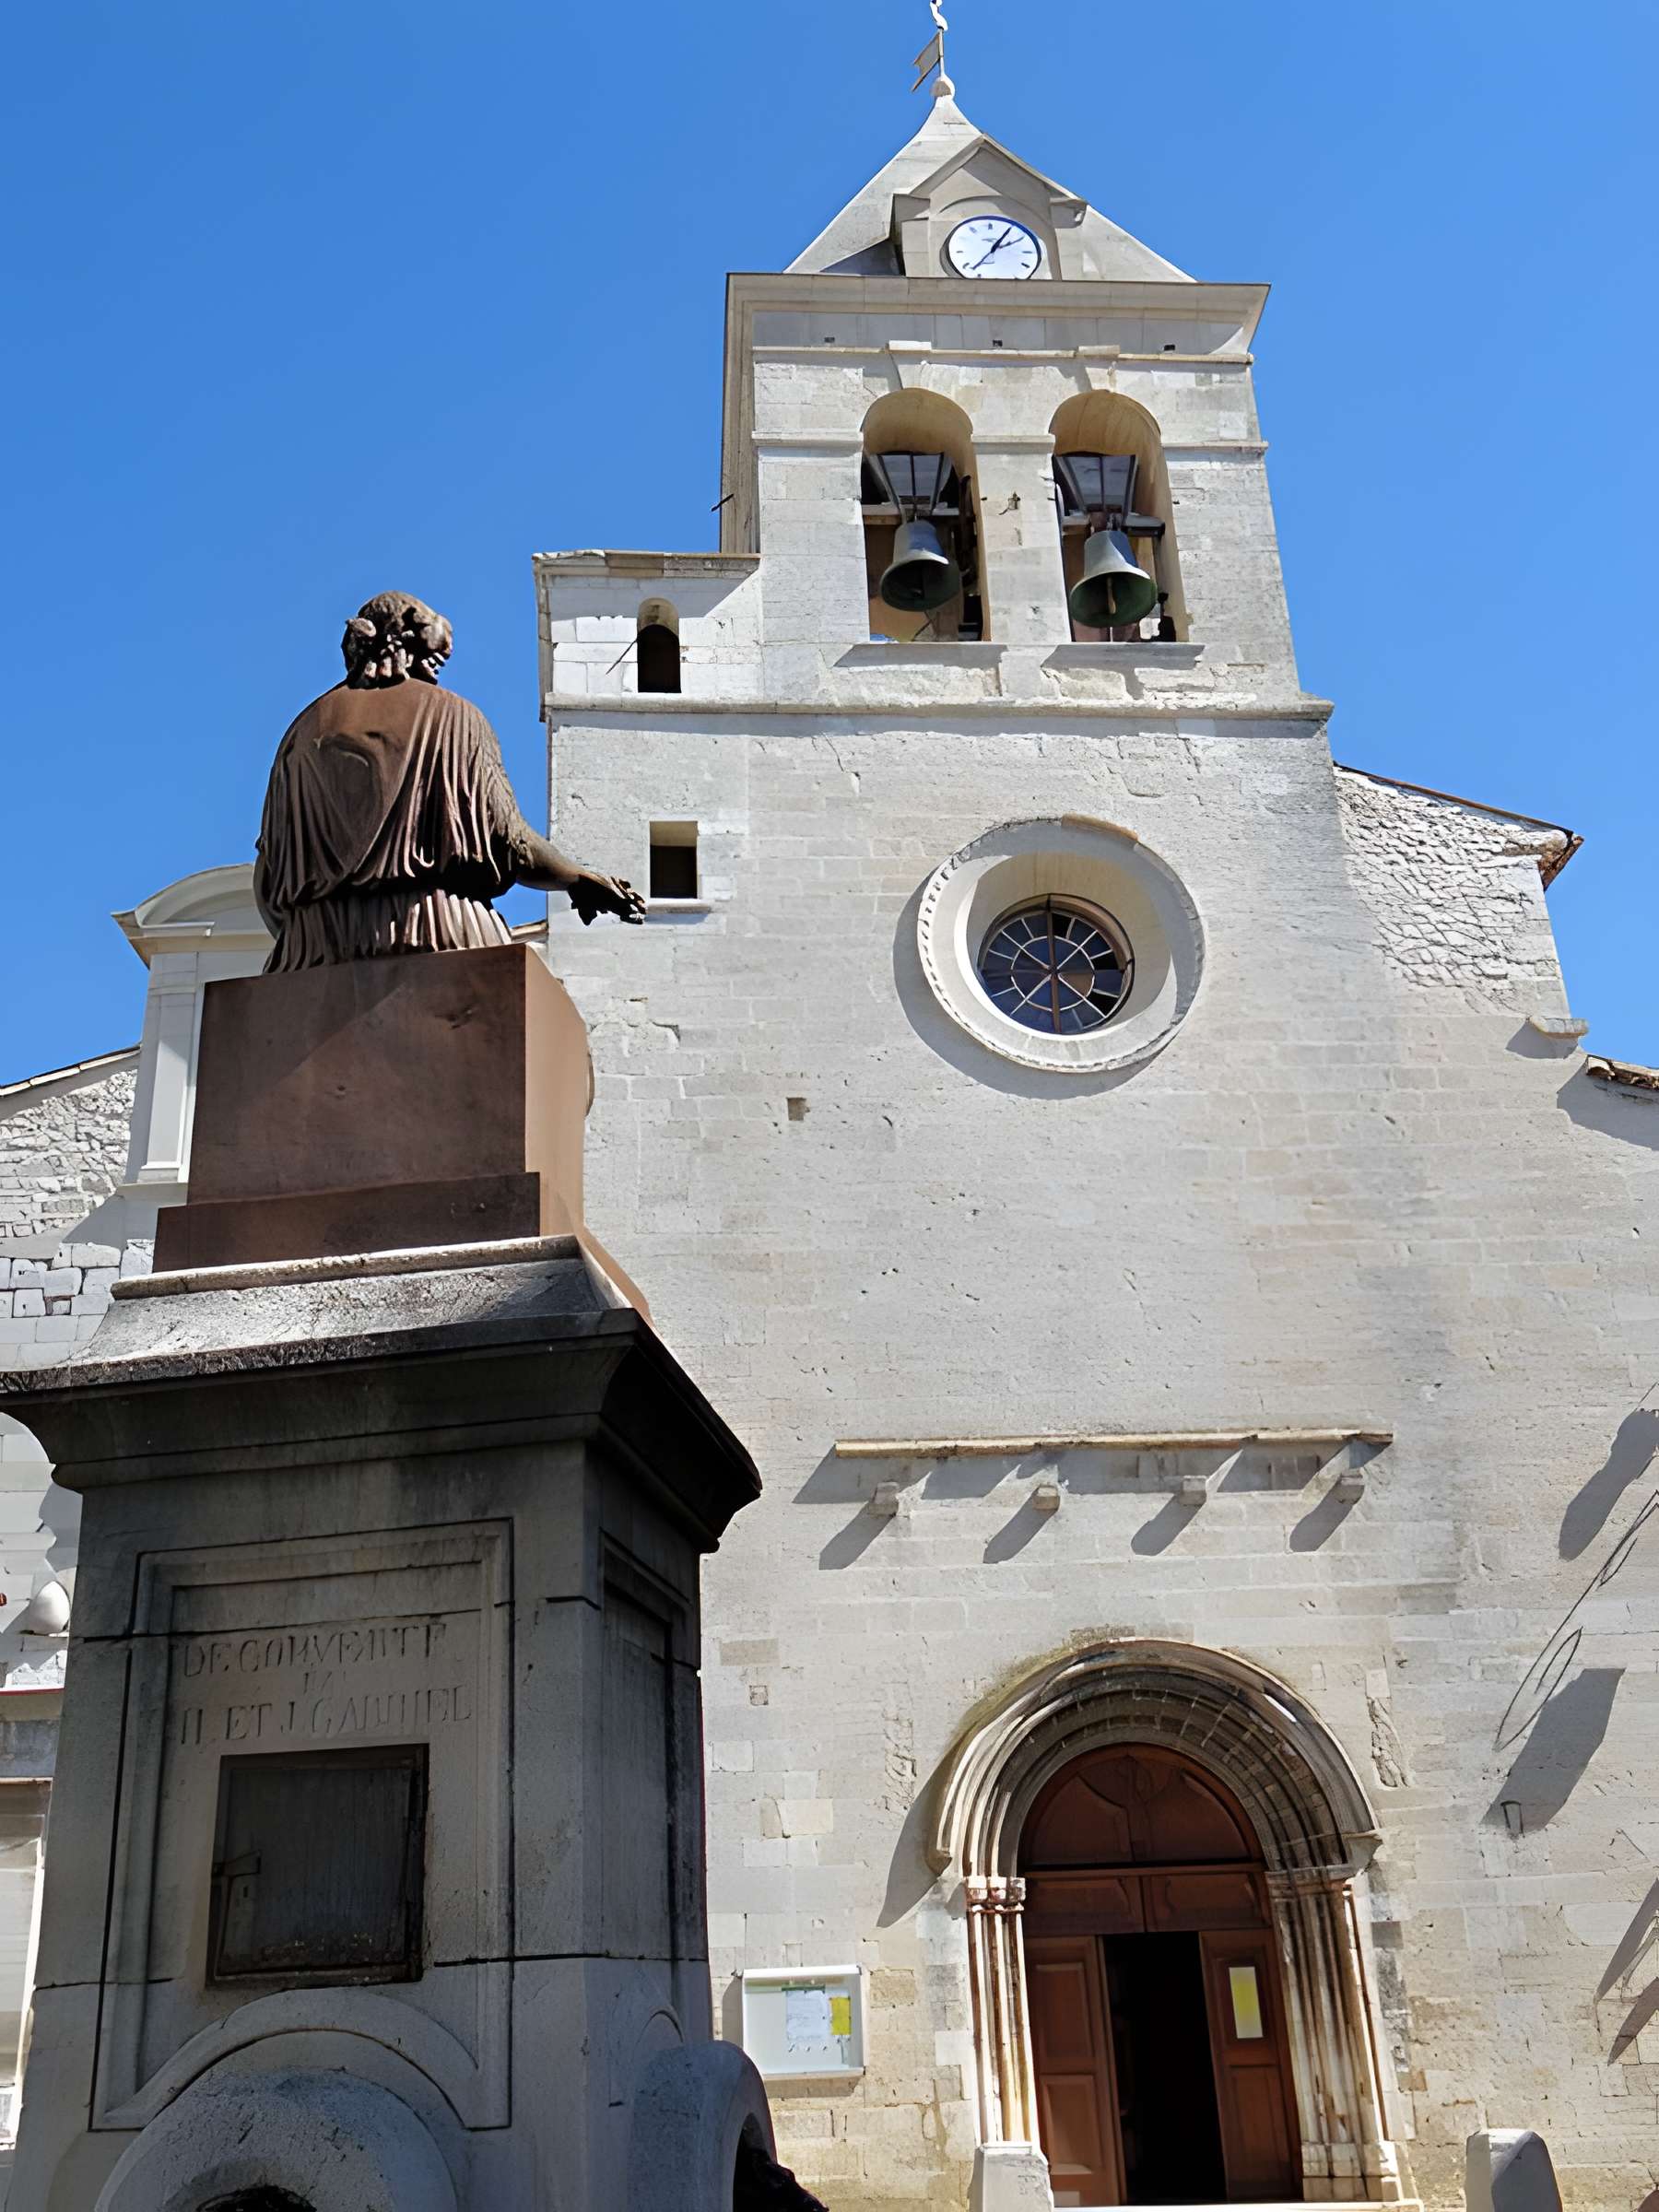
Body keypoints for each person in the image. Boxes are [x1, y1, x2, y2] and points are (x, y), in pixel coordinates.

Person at [254, 590, 644, 971]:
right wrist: (579, 879)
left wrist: (308, 937)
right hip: (435, 931)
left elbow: (268, 880)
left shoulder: (300, 734)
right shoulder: (455, 718)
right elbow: (509, 841)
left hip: (311, 948)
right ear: (409, 646)